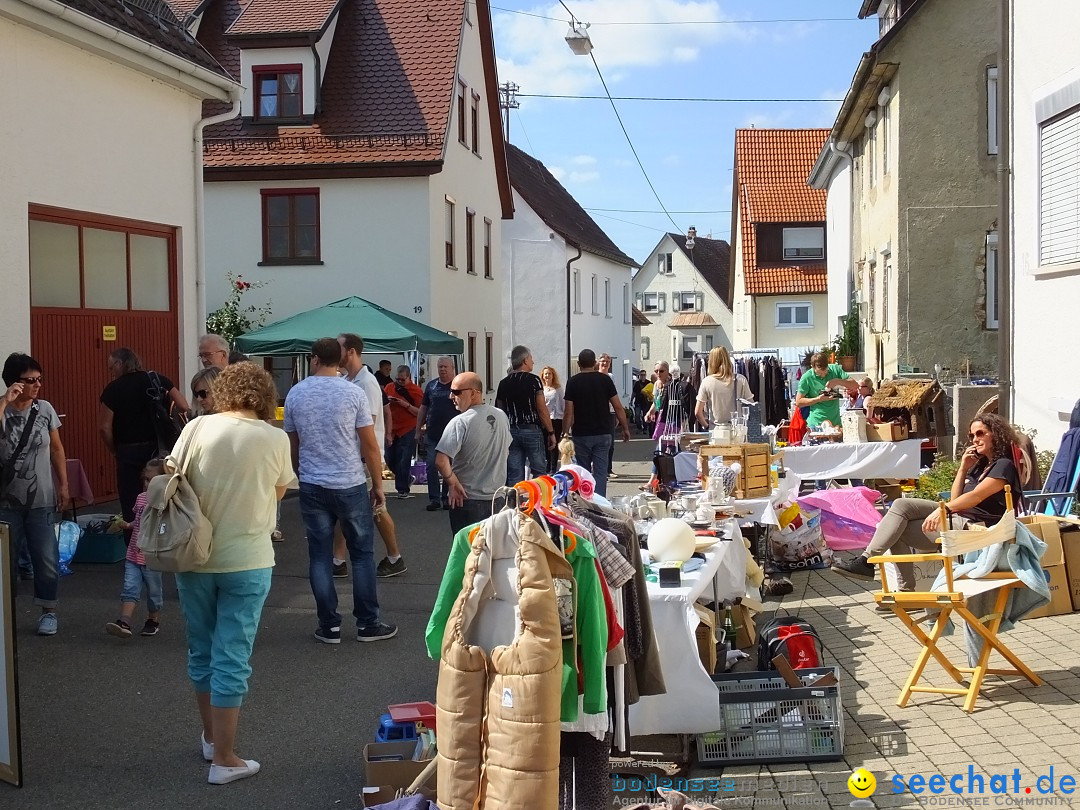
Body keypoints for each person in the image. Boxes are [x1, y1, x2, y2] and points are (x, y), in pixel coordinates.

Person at [171, 362, 296, 784]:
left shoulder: (196, 428)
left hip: (193, 555)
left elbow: (173, 477)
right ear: (264, 395)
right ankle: (224, 759)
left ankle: (211, 738)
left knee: (202, 651)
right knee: (232, 657)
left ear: (223, 392)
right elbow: (279, 490)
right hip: (248, 558)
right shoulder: (274, 438)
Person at [831, 413, 1029, 596]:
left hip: (975, 528)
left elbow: (976, 497)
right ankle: (875, 569)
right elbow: (955, 498)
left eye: (980, 434)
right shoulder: (980, 465)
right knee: (899, 510)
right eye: (971, 436)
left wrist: (943, 510)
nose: (975, 440)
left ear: (995, 434)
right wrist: (962, 469)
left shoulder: (1004, 465)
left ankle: (883, 574)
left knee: (894, 528)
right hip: (957, 517)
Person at [284, 338, 396, 645]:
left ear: (316, 359)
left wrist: (300, 471)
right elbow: (369, 445)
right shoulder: (353, 393)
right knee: (361, 555)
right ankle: (367, 623)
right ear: (338, 359)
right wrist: (377, 483)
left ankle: (329, 625)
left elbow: (294, 444)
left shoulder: (296, 393)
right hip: (349, 482)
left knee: (319, 556)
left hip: (312, 482)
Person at [0, 353, 69, 636]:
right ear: (14, 382)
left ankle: (48, 611)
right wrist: (4, 402)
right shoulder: (1, 409)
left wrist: (63, 484)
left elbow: (56, 449)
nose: (37, 385)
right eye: (30, 381)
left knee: (46, 557)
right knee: (7, 561)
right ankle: (6, 614)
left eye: (39, 379)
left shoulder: (44, 409)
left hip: (40, 498)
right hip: (5, 501)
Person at [99, 348, 189, 541]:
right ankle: (164, 540)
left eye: (111, 366)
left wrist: (114, 450)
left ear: (121, 364)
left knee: (130, 500)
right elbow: (183, 406)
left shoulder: (113, 389)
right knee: (161, 496)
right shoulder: (157, 379)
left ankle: (135, 547)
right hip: (158, 449)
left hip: (128, 451)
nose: (111, 371)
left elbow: (104, 427)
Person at [336, 334, 405, 579]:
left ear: (351, 351)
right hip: (356, 456)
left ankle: (394, 557)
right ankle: (338, 560)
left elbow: (368, 425)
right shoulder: (347, 379)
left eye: (339, 347)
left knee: (376, 508)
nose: (336, 351)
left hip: (365, 456)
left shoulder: (367, 383)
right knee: (347, 507)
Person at [434, 372, 511, 535]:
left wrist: (452, 482)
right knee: (493, 554)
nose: (451, 396)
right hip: (497, 499)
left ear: (474, 393)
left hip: (467, 499)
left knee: (467, 554)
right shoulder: (501, 416)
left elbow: (441, 460)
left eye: (456, 392)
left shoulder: (460, 422)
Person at [106, 458, 166, 639]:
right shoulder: (140, 498)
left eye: (152, 480)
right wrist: (127, 525)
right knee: (129, 588)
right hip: (133, 554)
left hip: (152, 558)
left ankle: (153, 619)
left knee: (154, 592)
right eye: (145, 480)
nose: (147, 484)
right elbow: (138, 522)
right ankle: (124, 622)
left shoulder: (166, 502)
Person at [562, 349, 631, 498]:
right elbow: (618, 406)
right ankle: (600, 503)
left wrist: (565, 432)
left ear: (579, 364)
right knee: (600, 472)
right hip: (603, 432)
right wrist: (625, 428)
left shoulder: (572, 382)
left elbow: (568, 412)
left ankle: (585, 502)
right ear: (594, 363)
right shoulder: (605, 380)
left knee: (583, 471)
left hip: (581, 433)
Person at [495, 345, 556, 486]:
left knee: (514, 473)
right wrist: (550, 432)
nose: (533, 362)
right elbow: (542, 409)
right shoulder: (534, 380)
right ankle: (538, 504)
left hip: (511, 431)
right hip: (531, 430)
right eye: (531, 358)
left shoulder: (503, 383)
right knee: (539, 472)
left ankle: (515, 504)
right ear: (525, 360)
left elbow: (500, 410)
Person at [416, 357, 457, 511]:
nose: (443, 369)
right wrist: (418, 429)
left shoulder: (457, 385)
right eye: (440, 367)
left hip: (452, 436)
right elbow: (423, 408)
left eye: (445, 366)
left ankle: (446, 497)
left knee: (450, 467)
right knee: (431, 466)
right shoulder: (432, 386)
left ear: (452, 368)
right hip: (432, 434)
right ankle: (434, 499)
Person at [385, 365, 424, 500]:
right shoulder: (390, 387)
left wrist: (404, 404)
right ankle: (407, 478)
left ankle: (402, 489)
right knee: (389, 458)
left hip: (408, 428)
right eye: (398, 379)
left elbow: (420, 412)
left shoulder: (416, 391)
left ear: (409, 378)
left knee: (403, 459)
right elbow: (383, 405)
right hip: (392, 428)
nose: (399, 382)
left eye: (402, 380)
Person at [695, 347, 754, 429]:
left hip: (716, 431)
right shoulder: (741, 379)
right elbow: (752, 407)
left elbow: (698, 412)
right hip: (737, 429)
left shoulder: (707, 382)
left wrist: (707, 426)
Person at [597, 353, 620, 479]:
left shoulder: (611, 377)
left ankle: (608, 469)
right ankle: (598, 469)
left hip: (610, 413)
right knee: (600, 441)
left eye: (607, 361)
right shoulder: (595, 376)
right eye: (602, 361)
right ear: (598, 362)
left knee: (610, 442)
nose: (605, 363)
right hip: (598, 413)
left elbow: (614, 396)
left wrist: (617, 414)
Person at [540, 366, 564, 473]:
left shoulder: (558, 389)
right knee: (545, 443)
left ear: (553, 375)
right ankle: (547, 466)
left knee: (554, 444)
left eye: (549, 373)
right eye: (546, 374)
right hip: (544, 418)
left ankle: (553, 468)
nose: (547, 376)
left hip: (556, 418)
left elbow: (562, 404)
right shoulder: (541, 388)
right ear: (543, 376)